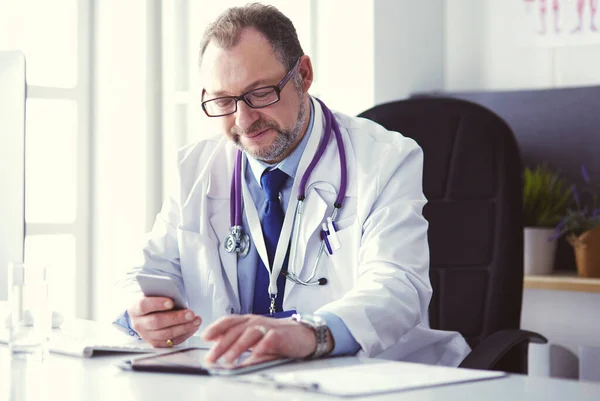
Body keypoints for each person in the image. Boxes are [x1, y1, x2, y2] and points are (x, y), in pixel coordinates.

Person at [115, 3, 470, 367]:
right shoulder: (194, 169)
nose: (243, 119)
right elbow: (149, 271)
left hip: (365, 378)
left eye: (260, 93)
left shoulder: (384, 160)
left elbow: (398, 287)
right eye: (223, 100)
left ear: (303, 73)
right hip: (236, 381)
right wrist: (141, 314)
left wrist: (312, 333)